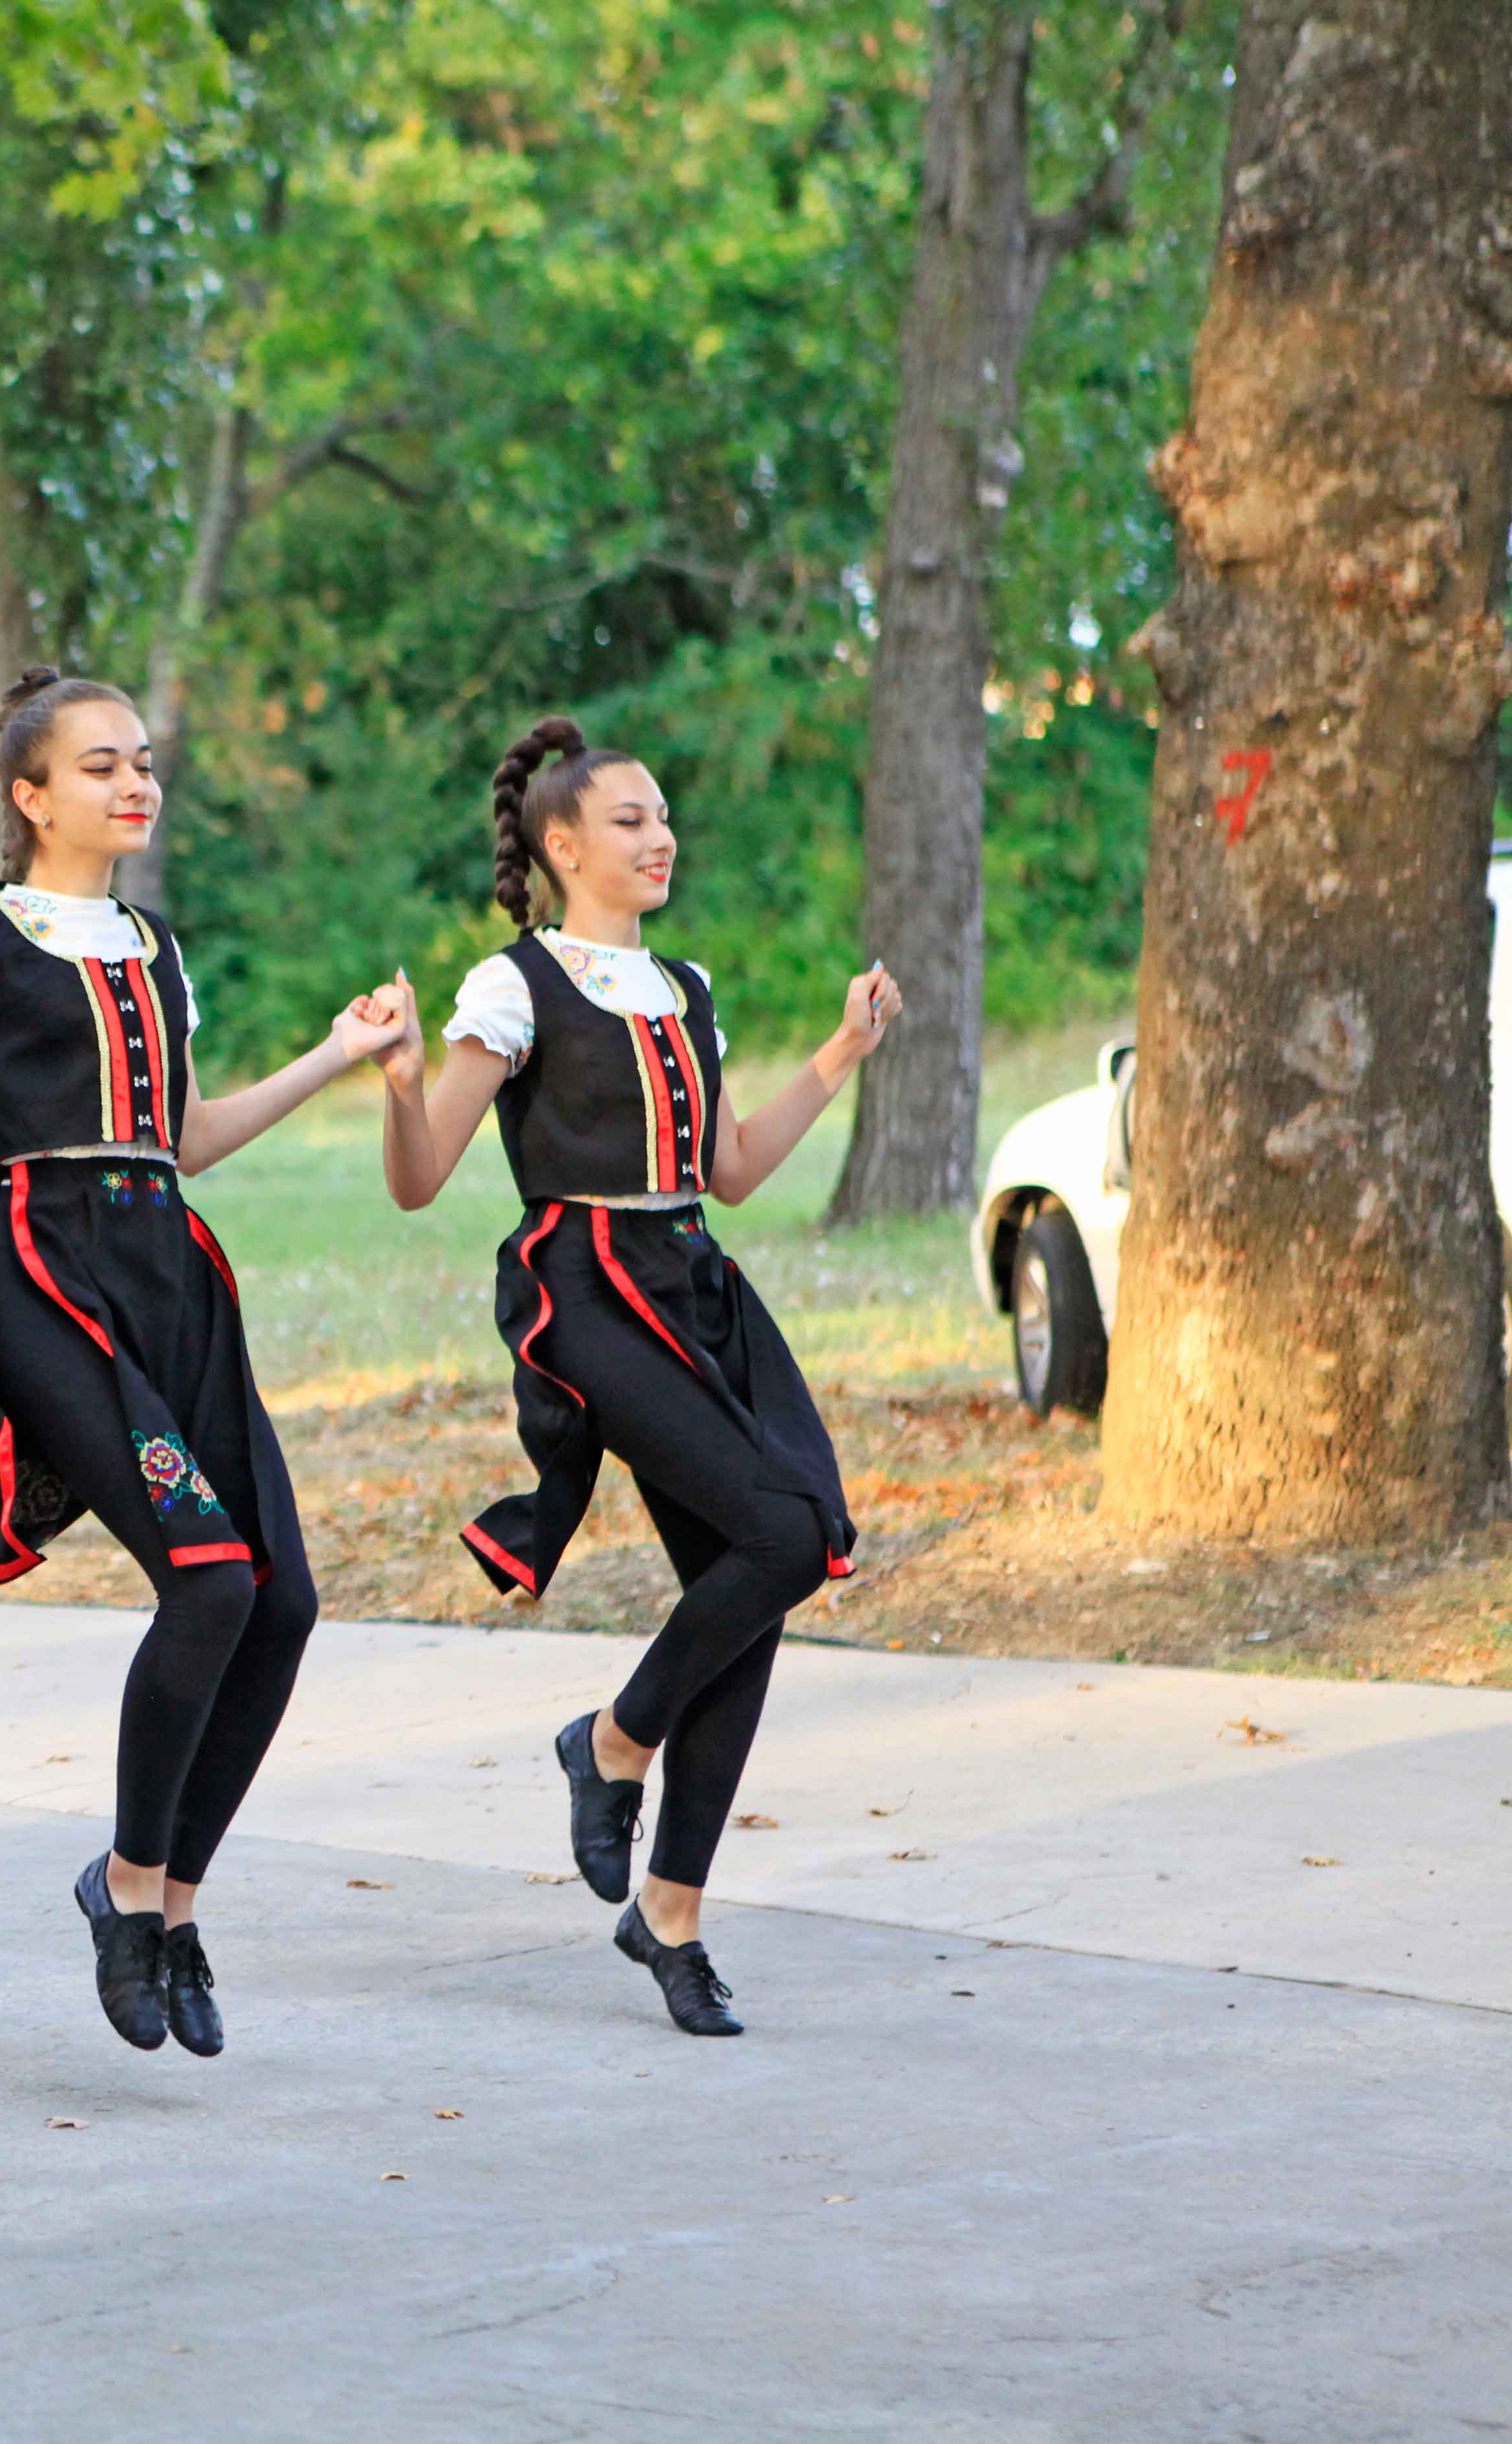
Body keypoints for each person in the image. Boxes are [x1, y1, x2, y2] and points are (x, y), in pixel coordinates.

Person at [0, 666, 407, 2059]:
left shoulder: (156, 948)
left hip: (172, 1268)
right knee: (209, 1579)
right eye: (101, 764)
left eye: (143, 760)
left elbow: (187, 1137)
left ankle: (169, 1906)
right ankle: (124, 1885)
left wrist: (337, 1054)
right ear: (31, 795)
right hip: (45, 1272)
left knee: (282, 1602)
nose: (135, 782)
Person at [371, 715, 899, 2038]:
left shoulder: (687, 990)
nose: (661, 836)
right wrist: (398, 1081)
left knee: (766, 1570)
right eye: (630, 819)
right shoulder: (513, 988)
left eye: (664, 817)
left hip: (693, 1280)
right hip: (586, 1287)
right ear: (562, 844)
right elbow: (420, 1177)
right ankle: (611, 1740)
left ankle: (669, 1913)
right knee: (780, 1536)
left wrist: (840, 1052)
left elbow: (730, 1170)